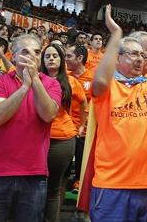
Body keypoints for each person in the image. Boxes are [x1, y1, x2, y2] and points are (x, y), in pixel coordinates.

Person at [89, 5, 147, 222]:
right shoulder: (108, 89)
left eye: (143, 56)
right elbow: (99, 81)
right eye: (134, 54)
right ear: (117, 58)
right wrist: (116, 35)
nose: (140, 59)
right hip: (111, 185)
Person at [0, 34, 61, 222]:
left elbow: (48, 114)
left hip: (34, 173)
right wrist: (24, 87)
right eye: (25, 51)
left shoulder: (52, 84)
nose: (32, 56)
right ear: (13, 57)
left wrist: (35, 82)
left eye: (37, 52)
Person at [41, 43, 87, 222]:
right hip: (37, 137)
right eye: (47, 56)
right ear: (43, 60)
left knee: (56, 186)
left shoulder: (71, 81)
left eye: (55, 56)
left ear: (61, 60)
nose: (51, 59)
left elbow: (84, 104)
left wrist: (81, 125)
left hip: (62, 139)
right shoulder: (35, 78)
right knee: (37, 184)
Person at [64, 43, 93, 192]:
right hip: (66, 128)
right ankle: (64, 181)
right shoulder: (64, 78)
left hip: (85, 128)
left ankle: (79, 182)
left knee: (82, 157)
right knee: (65, 162)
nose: (65, 59)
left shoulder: (93, 77)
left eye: (69, 56)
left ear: (80, 58)